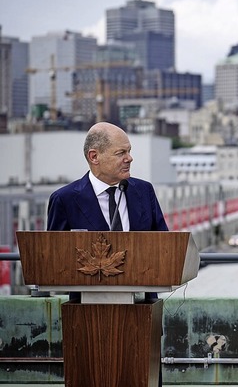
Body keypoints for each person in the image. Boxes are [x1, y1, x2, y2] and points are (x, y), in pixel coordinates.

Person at [46, 121, 168, 386]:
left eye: (129, 151)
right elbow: (52, 260)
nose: (129, 158)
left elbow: (164, 246)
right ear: (94, 156)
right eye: (121, 152)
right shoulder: (64, 199)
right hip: (87, 322)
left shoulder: (143, 191)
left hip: (142, 314)